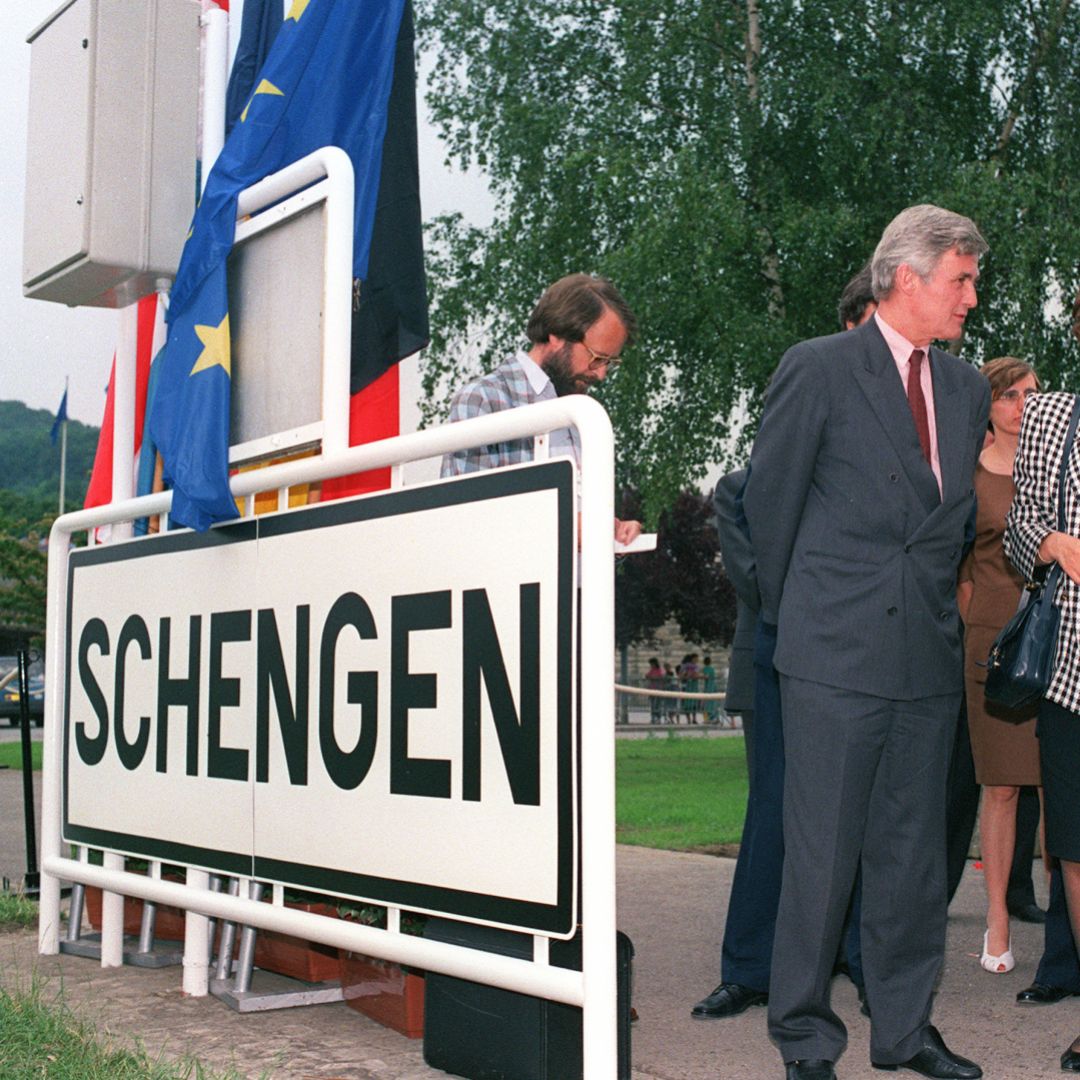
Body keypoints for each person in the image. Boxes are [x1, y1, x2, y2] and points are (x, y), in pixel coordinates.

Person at [744, 204, 989, 1080]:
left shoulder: (964, 388)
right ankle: (805, 1037)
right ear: (907, 278)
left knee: (913, 863)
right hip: (833, 659)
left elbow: (950, 524)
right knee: (822, 859)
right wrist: (804, 615)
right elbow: (766, 510)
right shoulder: (818, 368)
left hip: (924, 658)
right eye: (960, 279)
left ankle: (904, 1031)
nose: (971, 297)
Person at [440, 272, 642, 547]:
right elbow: (464, 522)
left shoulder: (582, 412)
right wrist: (573, 528)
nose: (602, 374)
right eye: (597, 358)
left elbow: (583, 523)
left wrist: (614, 531)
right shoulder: (484, 401)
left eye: (610, 362)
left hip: (585, 589)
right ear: (556, 334)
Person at [1004, 352, 1080, 1072]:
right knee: (1078, 852)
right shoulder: (1053, 416)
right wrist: (1051, 542)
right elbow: (1018, 527)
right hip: (1071, 676)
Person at [956, 357, 1042, 974]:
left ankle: (1064, 938)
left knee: (1064, 789)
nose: (1021, 405)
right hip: (993, 643)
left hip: (1061, 640)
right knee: (1003, 787)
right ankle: (997, 919)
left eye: (1031, 394)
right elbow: (957, 566)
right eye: (1009, 396)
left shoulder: (1061, 469)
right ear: (987, 405)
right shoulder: (969, 475)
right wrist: (977, 626)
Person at [679, 653, 701, 723]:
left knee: (693, 703)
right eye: (696, 658)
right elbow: (681, 675)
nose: (697, 660)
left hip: (693, 687)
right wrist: (688, 676)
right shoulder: (686, 666)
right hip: (688, 686)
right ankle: (690, 719)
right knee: (688, 703)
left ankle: (693, 719)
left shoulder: (696, 666)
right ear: (692, 658)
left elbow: (696, 675)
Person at [645, 657, 666, 723]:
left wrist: (654, 678)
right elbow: (647, 675)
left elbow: (661, 676)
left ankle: (658, 718)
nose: (651, 665)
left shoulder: (659, 670)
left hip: (658, 689)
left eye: (652, 664)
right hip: (652, 689)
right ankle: (653, 718)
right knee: (652, 705)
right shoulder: (652, 670)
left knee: (658, 704)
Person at [702, 655, 720, 724]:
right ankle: (715, 717)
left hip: (708, 688)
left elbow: (706, 676)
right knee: (713, 703)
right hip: (713, 686)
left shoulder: (706, 668)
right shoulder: (712, 668)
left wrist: (699, 677)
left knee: (707, 704)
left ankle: (708, 718)